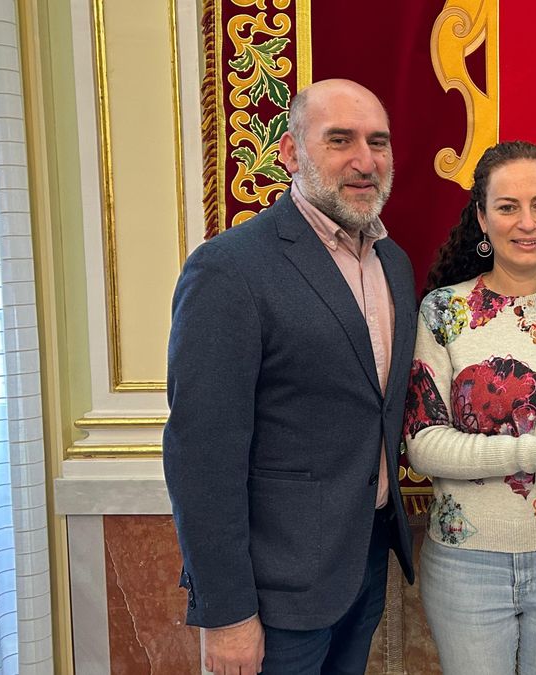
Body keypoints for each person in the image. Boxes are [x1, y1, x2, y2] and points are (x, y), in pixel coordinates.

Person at [162, 79, 416, 675]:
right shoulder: (229, 268)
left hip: (363, 564)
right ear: (290, 152)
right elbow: (201, 454)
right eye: (340, 140)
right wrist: (225, 613)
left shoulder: (393, 263)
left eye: (378, 142)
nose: (365, 160)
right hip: (272, 593)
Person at [404, 141, 536, 675]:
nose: (527, 222)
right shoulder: (442, 310)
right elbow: (423, 444)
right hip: (465, 564)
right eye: (507, 207)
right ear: (481, 215)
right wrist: (534, 453)